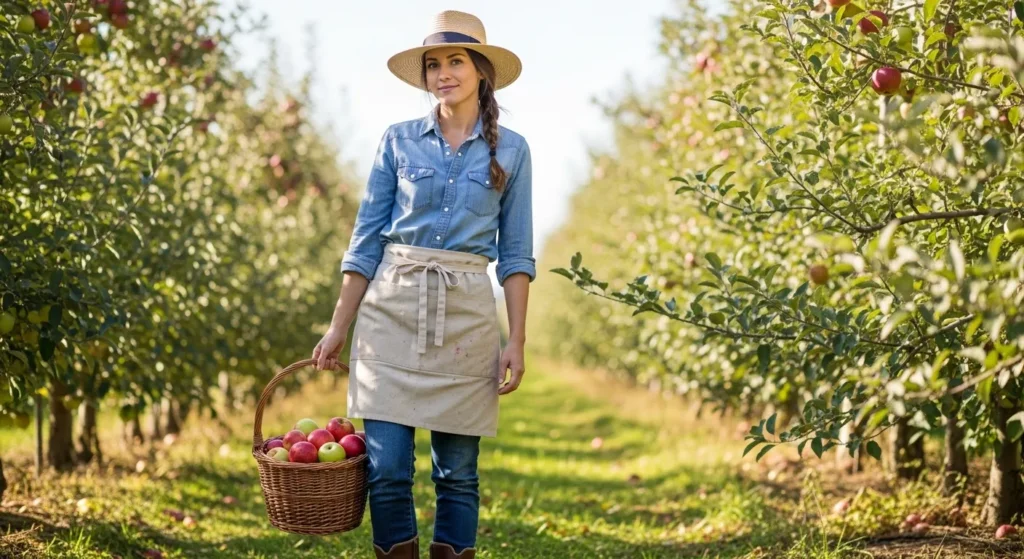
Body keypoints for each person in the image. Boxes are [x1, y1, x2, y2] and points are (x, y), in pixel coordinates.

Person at [311, 10, 533, 559]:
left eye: (456, 61)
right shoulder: (398, 140)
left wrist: (518, 339)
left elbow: (517, 254)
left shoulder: (513, 150)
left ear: (482, 70)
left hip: (464, 311)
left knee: (456, 471)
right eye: (434, 64)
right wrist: (340, 324)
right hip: (392, 303)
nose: (443, 73)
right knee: (386, 469)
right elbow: (365, 239)